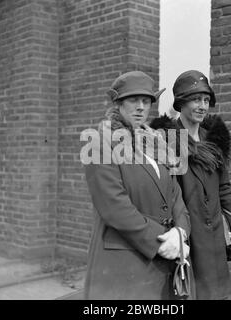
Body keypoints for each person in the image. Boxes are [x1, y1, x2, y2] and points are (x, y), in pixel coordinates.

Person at [83, 71, 191, 300]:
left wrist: (180, 232)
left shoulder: (157, 144)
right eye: (133, 100)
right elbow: (114, 207)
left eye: (146, 101)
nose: (141, 107)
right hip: (124, 265)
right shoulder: (100, 143)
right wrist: (163, 240)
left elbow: (175, 196)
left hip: (162, 262)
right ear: (119, 104)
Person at [151, 70, 231, 300]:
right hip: (186, 236)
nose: (202, 106)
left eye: (206, 100)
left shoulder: (214, 140)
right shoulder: (166, 141)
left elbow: (224, 188)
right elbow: (162, 194)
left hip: (214, 237)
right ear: (180, 103)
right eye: (195, 99)